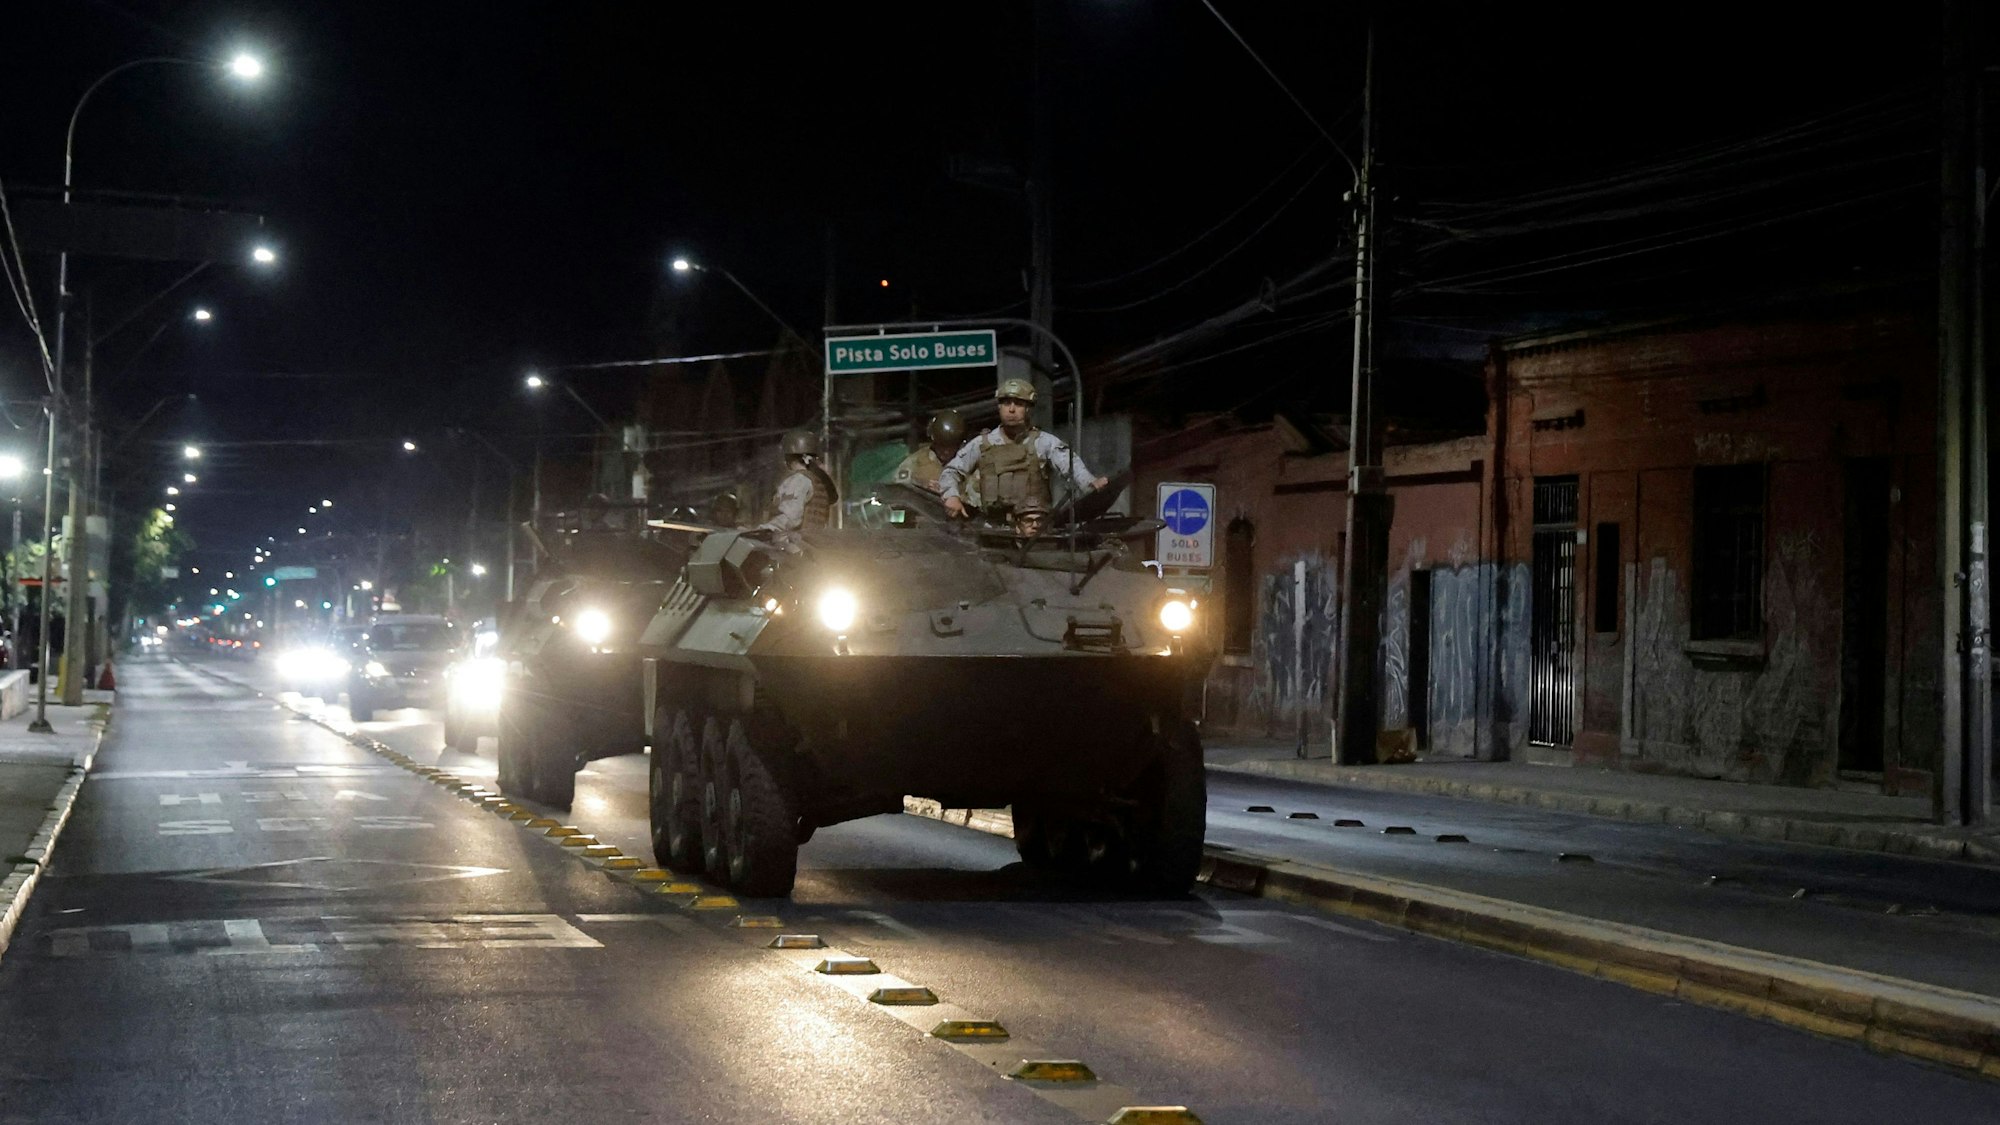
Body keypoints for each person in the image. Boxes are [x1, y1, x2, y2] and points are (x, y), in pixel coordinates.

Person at [939, 377, 1107, 519]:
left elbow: (1071, 466)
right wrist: (951, 495)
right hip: (992, 530)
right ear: (999, 407)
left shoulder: (1044, 442)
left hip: (1034, 531)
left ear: (1028, 409)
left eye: (1018, 404)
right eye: (1006, 403)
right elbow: (951, 471)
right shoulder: (982, 444)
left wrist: (1090, 483)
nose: (1011, 409)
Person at [753, 429, 836, 549]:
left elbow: (790, 517)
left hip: (794, 547)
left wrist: (762, 530)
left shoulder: (799, 480)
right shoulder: (817, 481)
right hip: (812, 545)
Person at [894, 409, 978, 504]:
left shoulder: (970, 465)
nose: (946, 452)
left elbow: (979, 504)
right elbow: (896, 500)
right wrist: (924, 491)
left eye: (951, 446)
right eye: (941, 445)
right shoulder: (914, 463)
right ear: (934, 441)